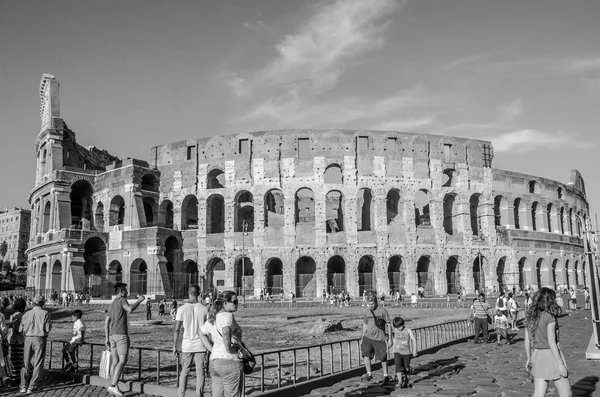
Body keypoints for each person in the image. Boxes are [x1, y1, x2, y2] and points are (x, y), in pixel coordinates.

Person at [524, 287, 571, 397]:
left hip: (537, 355)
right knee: (566, 393)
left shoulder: (530, 316)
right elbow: (552, 342)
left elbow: (527, 341)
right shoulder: (549, 317)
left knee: (539, 394)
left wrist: (529, 358)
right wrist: (561, 364)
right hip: (551, 355)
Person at [200, 291, 244, 397]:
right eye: (234, 301)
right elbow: (225, 332)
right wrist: (228, 348)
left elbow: (201, 333)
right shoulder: (227, 316)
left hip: (215, 362)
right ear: (225, 303)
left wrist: (212, 349)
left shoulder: (213, 317)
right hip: (229, 361)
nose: (237, 303)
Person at [104, 283, 145, 397]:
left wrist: (107, 338)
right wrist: (140, 300)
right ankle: (113, 385)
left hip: (112, 336)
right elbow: (130, 309)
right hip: (121, 334)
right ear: (121, 292)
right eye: (126, 291)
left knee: (115, 361)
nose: (127, 293)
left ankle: (114, 386)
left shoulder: (111, 304)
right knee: (123, 361)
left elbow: (106, 323)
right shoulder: (122, 300)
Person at [173, 284, 212, 397]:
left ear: (188, 292)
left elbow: (177, 329)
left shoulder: (181, 309)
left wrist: (174, 345)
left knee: (184, 371)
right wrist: (209, 344)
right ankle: (198, 395)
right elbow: (208, 329)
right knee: (200, 373)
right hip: (201, 344)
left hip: (187, 345)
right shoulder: (205, 309)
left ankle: (181, 394)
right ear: (199, 293)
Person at [19, 295, 52, 394]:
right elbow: (47, 328)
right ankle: (32, 386)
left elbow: (21, 329)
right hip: (39, 339)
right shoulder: (45, 313)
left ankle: (23, 385)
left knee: (25, 363)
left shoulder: (26, 313)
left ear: (33, 303)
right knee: (38, 363)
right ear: (43, 303)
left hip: (28, 338)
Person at [361, 291, 392, 384]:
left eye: (372, 304)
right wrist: (362, 337)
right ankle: (369, 374)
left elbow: (389, 324)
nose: (371, 306)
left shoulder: (382, 311)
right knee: (366, 355)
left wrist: (390, 338)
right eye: (369, 304)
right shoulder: (366, 311)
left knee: (382, 357)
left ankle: (386, 375)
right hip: (368, 337)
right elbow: (365, 325)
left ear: (376, 302)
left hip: (380, 338)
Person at [391, 317, 417, 389]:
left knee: (407, 368)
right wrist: (393, 348)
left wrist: (414, 350)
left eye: (400, 326)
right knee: (398, 366)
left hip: (406, 352)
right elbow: (395, 339)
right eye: (397, 327)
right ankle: (400, 381)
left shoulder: (408, 330)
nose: (399, 328)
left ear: (403, 324)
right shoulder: (396, 330)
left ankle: (407, 380)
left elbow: (413, 339)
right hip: (397, 351)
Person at [7, 298, 26, 386]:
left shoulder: (13, 315)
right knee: (20, 360)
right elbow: (19, 329)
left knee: (14, 360)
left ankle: (13, 378)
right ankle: (19, 379)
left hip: (12, 340)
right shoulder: (21, 315)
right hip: (19, 340)